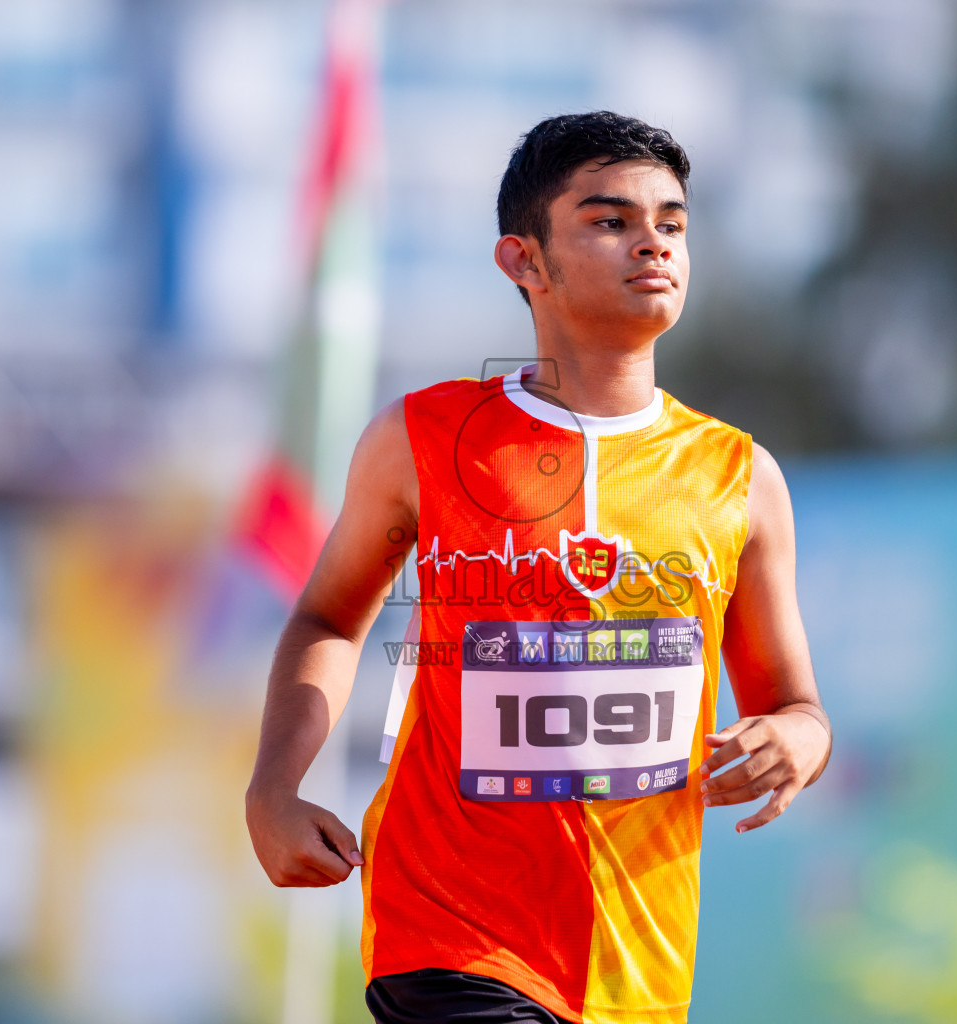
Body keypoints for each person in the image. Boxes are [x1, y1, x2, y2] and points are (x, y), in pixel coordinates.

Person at [246, 110, 832, 1024]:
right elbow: (328, 617)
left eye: (672, 224)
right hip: (449, 934)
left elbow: (792, 704)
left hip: (639, 968)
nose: (654, 245)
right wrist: (274, 790)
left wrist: (797, 743)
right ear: (524, 261)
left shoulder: (740, 478)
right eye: (611, 221)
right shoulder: (422, 439)